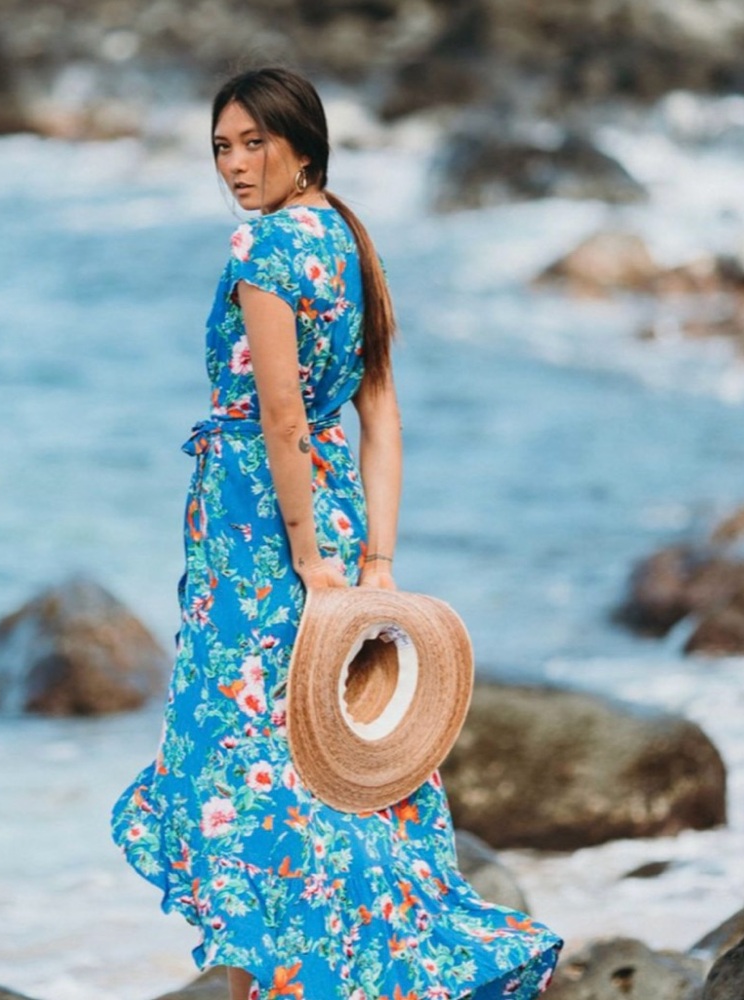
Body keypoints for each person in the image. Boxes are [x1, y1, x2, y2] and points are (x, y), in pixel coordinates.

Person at [111, 67, 562, 1000]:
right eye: (222, 148)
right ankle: (372, 951)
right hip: (333, 509)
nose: (235, 165)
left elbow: (279, 416)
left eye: (254, 143)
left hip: (260, 523)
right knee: (340, 747)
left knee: (249, 742)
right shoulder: (352, 242)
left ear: (303, 147)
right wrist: (375, 556)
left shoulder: (266, 248)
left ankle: (306, 965)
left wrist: (310, 558)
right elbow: (381, 416)